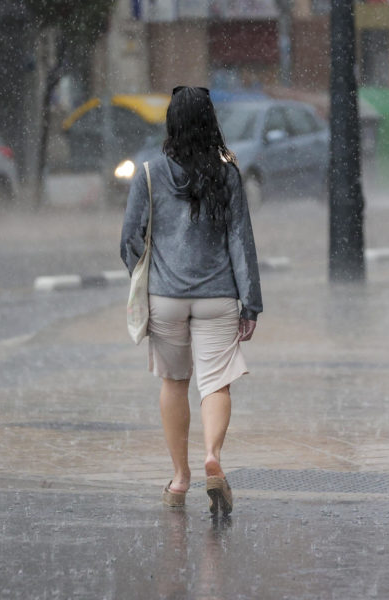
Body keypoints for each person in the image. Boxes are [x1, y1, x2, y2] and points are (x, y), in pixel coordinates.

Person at [120, 86, 262, 514]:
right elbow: (240, 241)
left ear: (171, 123)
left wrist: (149, 276)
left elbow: (129, 240)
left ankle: (180, 479)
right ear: (210, 121)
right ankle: (212, 458)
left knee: (174, 382)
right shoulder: (227, 174)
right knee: (216, 383)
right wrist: (250, 301)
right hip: (218, 295)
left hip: (166, 297)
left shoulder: (148, 174)